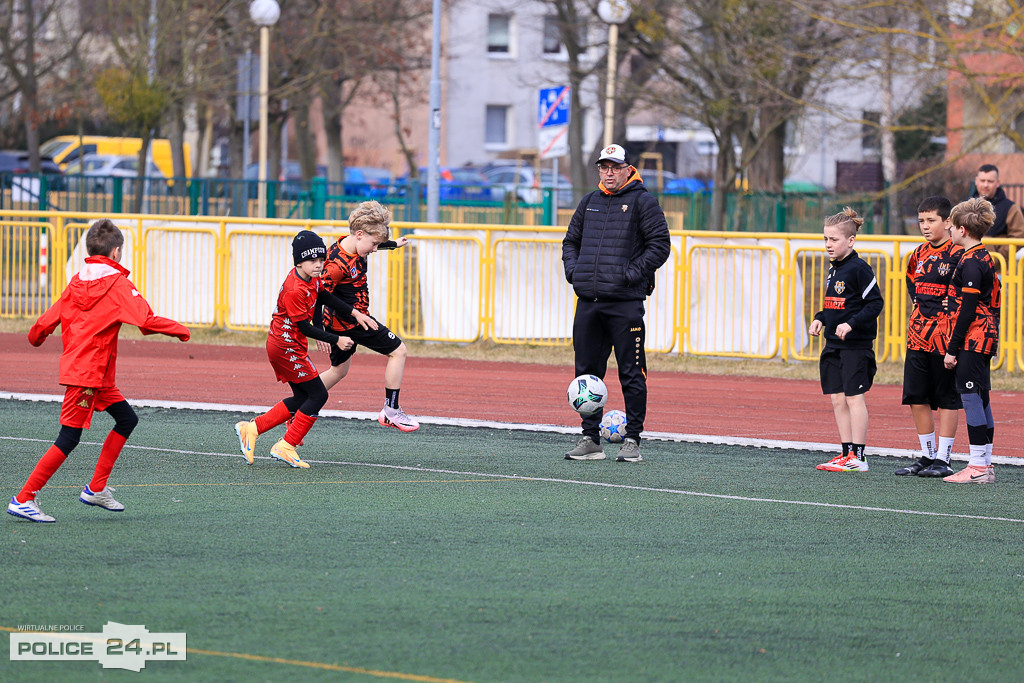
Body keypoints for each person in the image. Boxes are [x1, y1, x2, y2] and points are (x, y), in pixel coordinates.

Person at [7, 219, 190, 523]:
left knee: (127, 418)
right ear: (116, 252)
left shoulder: (76, 281)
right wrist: (181, 330)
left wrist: (36, 337)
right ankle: (24, 497)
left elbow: (44, 323)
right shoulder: (118, 284)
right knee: (68, 437)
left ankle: (96, 488)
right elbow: (145, 320)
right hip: (87, 375)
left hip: (95, 374)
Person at [561, 143, 671, 462]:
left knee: (631, 373)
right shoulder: (589, 202)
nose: (609, 173)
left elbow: (660, 245)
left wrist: (629, 274)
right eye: (604, 167)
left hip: (625, 304)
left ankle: (633, 440)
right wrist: (575, 272)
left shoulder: (643, 202)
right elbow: (571, 242)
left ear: (627, 169)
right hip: (589, 302)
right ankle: (590, 439)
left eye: (615, 167)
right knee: (586, 373)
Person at [234, 230, 377, 468]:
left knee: (303, 397)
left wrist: (353, 313)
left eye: (322, 260)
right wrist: (335, 339)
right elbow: (304, 326)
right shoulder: (294, 289)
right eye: (313, 261)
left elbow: (326, 298)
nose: (319, 265)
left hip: (291, 345)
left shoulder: (311, 278)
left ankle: (252, 428)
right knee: (319, 395)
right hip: (284, 346)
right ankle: (286, 445)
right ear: (299, 261)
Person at [318, 200, 419, 432]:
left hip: (350, 320)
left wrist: (391, 244)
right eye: (374, 244)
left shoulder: (353, 242)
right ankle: (391, 411)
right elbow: (320, 296)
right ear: (360, 234)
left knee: (338, 371)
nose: (374, 249)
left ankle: (298, 406)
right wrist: (321, 332)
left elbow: (369, 243)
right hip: (350, 323)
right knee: (399, 351)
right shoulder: (335, 264)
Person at [809, 207, 884, 473]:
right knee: (837, 399)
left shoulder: (859, 269)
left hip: (855, 346)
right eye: (826, 239)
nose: (828, 244)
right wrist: (820, 318)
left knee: (854, 398)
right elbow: (836, 305)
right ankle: (846, 453)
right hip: (833, 345)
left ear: (850, 241)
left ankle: (860, 457)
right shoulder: (835, 269)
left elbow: (875, 303)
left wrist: (851, 324)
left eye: (834, 239)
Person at [895, 196, 962, 478]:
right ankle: (927, 454)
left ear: (947, 222)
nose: (925, 226)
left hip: (946, 338)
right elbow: (912, 282)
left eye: (931, 220)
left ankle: (944, 459)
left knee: (947, 397)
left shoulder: (959, 254)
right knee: (916, 396)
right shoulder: (918, 253)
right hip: (917, 336)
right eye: (921, 220)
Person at [942, 197, 1001, 483]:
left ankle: (977, 466)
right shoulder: (978, 257)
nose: (949, 231)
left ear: (963, 230)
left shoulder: (973, 262)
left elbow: (967, 311)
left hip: (974, 339)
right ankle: (985, 464)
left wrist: (952, 349)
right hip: (981, 337)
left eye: (952, 227)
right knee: (981, 397)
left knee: (971, 398)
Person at [970, 163, 1024, 260]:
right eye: (982, 180)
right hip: (966, 266)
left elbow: (1018, 238)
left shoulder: (1011, 208)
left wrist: (996, 258)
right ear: (976, 181)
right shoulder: (965, 206)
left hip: (999, 271)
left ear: (998, 183)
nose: (985, 185)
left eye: (990, 181)